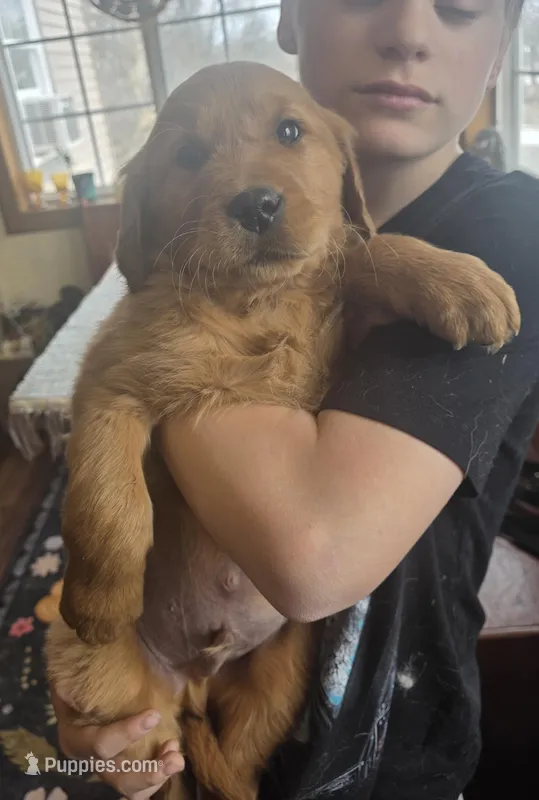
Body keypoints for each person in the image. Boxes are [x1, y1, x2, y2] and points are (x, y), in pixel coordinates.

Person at [52, 1, 539, 798]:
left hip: (395, 757)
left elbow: (312, 558)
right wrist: (91, 743)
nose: (408, 33)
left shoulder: (512, 232)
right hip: (158, 666)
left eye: (457, 6)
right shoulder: (199, 258)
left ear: (503, 46)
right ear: (290, 16)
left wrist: (380, 266)